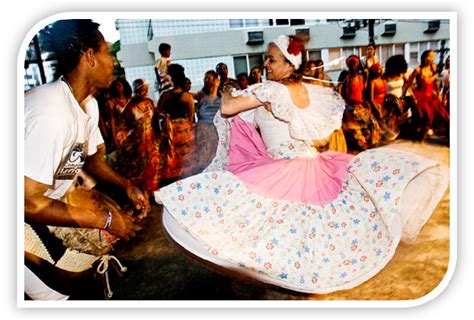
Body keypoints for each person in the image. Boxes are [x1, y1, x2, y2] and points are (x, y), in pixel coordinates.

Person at [155, 34, 449, 294]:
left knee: (278, 220)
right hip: (309, 161)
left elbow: (228, 107)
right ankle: (307, 274)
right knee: (305, 226)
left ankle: (295, 276)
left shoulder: (271, 90)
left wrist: (229, 91)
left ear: (289, 64)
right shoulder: (303, 89)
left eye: (271, 59)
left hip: (288, 164)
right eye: (266, 59)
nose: (266, 64)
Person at [24, 19, 148, 300]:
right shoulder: (51, 113)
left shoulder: (88, 106)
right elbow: (27, 202)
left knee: (81, 286)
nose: (113, 61)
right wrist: (104, 220)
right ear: (89, 56)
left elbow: (89, 160)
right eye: (107, 52)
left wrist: (126, 184)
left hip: (39, 211)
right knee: (58, 296)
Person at [107, 79, 163, 204]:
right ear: (136, 90)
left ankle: (152, 192)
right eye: (141, 90)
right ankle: (145, 195)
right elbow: (123, 124)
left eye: (145, 90)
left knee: (153, 164)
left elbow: (155, 120)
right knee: (141, 167)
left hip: (151, 140)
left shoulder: (149, 103)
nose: (144, 93)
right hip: (138, 142)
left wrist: (158, 134)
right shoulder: (131, 106)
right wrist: (120, 138)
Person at [157, 64, 196, 182]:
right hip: (184, 132)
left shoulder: (165, 95)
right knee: (186, 163)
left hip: (170, 133)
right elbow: (191, 116)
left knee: (171, 161)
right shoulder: (187, 96)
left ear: (171, 78)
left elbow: (158, 112)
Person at [406, 49, 450, 140]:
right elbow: (408, 85)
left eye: (433, 57)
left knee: (443, 115)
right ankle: (421, 137)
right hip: (421, 96)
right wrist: (413, 97)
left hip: (432, 96)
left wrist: (439, 93)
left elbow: (435, 84)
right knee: (426, 115)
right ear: (424, 57)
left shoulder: (433, 67)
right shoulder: (418, 70)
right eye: (429, 56)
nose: (431, 58)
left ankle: (424, 137)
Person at [341, 55, 382, 151]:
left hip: (361, 106)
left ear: (358, 64)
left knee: (373, 124)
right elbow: (343, 94)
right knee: (355, 130)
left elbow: (365, 92)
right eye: (350, 63)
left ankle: (371, 144)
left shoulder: (362, 77)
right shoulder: (346, 79)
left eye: (354, 63)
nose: (352, 65)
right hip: (351, 108)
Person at [106, 78, 132, 151]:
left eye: (119, 85)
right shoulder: (111, 102)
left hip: (131, 131)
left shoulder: (130, 100)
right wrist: (114, 138)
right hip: (120, 133)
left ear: (124, 86)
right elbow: (111, 121)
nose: (117, 88)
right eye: (115, 86)